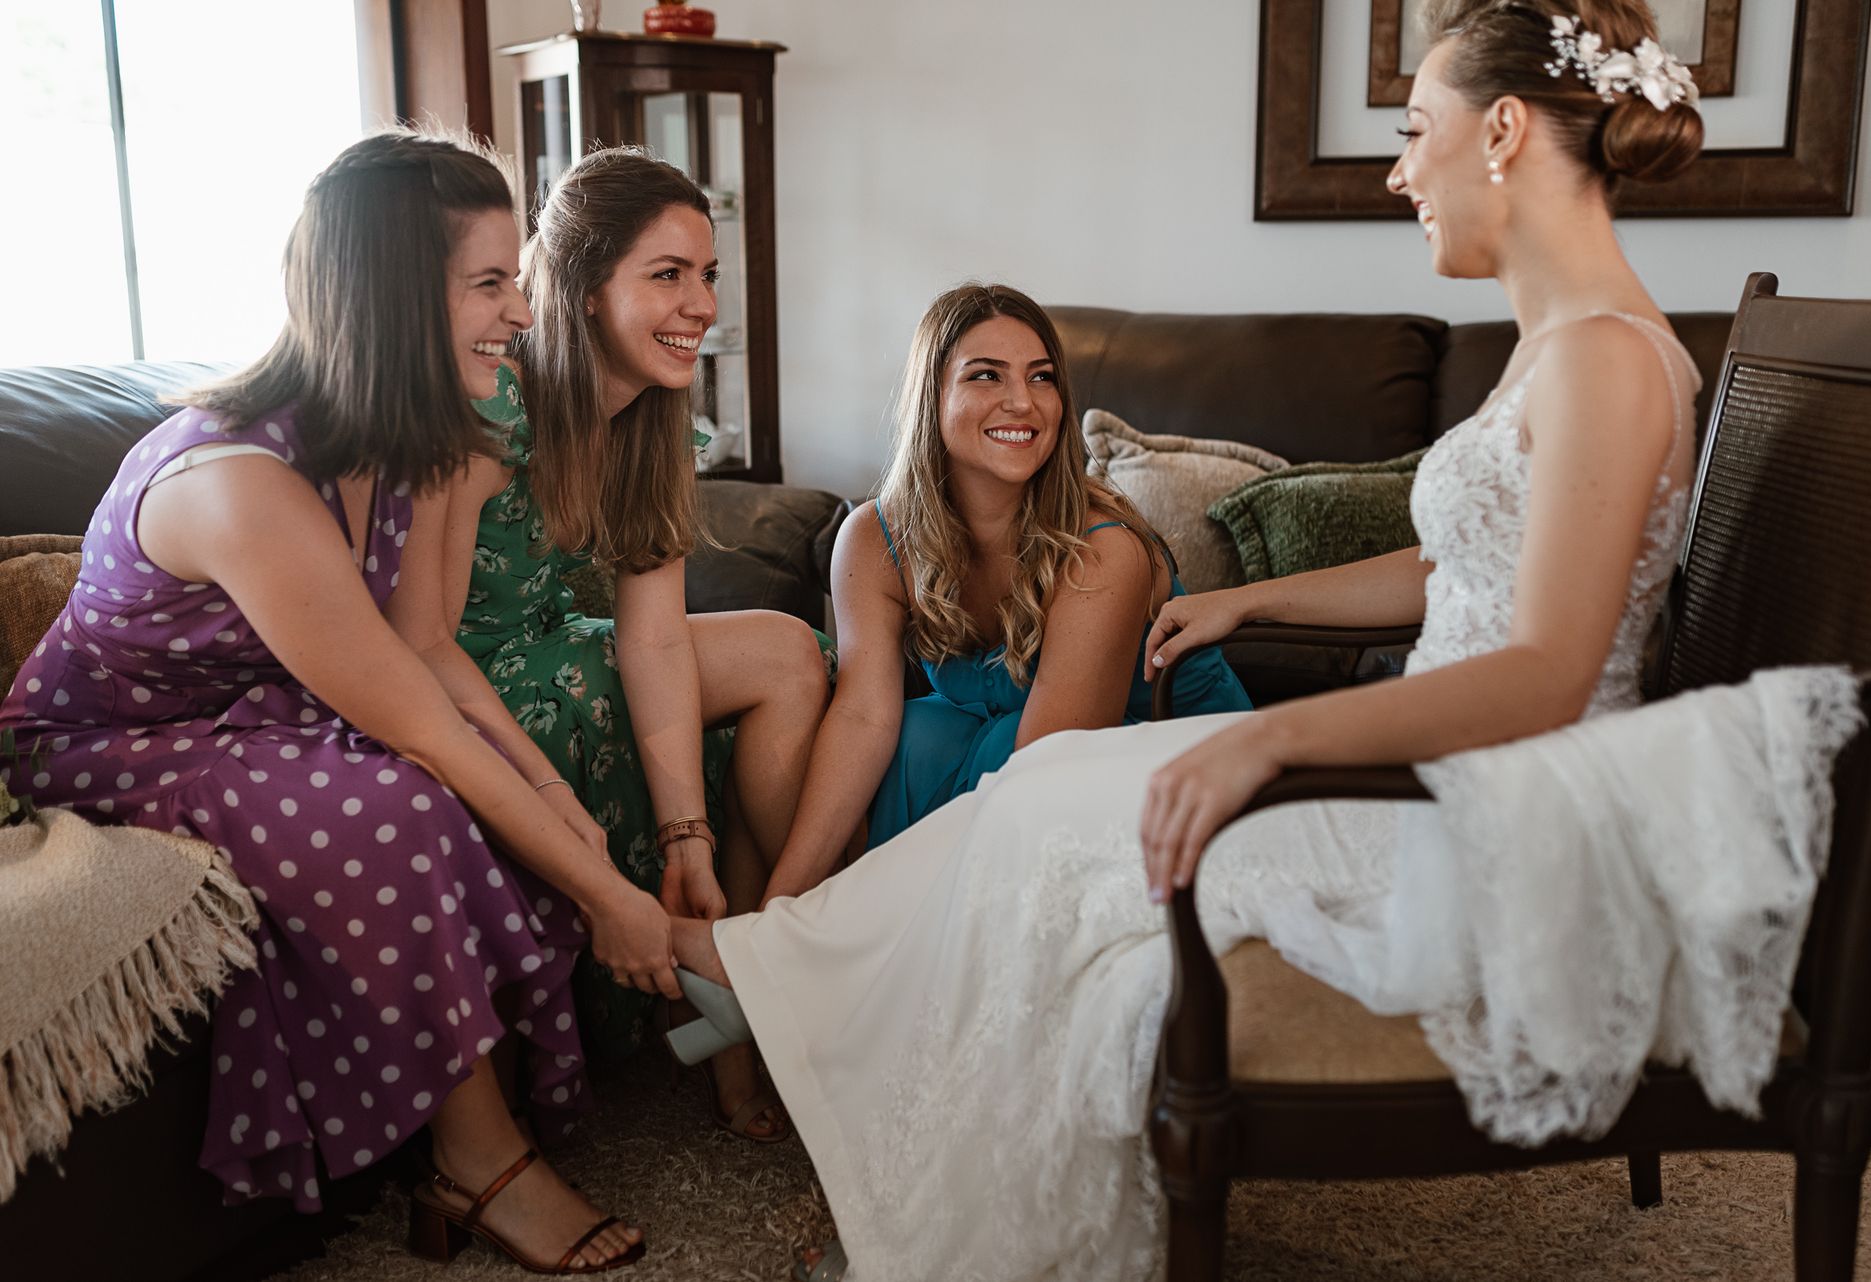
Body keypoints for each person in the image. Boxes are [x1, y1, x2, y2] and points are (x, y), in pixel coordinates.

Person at [662, 2, 1716, 1277]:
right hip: (1445, 784)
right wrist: (1249, 600)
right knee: (1049, 786)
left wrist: (1261, 744)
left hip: (1484, 823)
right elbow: (1454, 570)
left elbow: (1546, 671)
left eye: (1414, 129)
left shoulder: (1604, 360)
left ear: (1500, 132)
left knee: (1055, 807)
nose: (1399, 170)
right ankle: (815, 1011)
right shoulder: (1563, 350)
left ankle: (778, 983)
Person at [0, 132, 660, 1273]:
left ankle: (471, 1134)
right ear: (398, 296)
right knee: (396, 806)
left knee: (479, 788)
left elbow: (427, 652)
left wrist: (566, 809)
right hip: (107, 745)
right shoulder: (239, 481)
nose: (521, 312)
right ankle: (478, 1161)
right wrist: (598, 888)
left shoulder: (400, 437)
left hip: (263, 714)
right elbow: (414, 719)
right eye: (491, 283)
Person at [398, 146, 829, 1142]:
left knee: (795, 654)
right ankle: (751, 995)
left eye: (708, 275)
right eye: (667, 275)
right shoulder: (493, 406)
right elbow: (421, 634)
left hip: (566, 648)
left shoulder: (657, 426)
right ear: (587, 289)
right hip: (460, 683)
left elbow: (657, 639)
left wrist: (689, 835)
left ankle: (759, 965)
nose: (700, 306)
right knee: (759, 660)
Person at [755, 284, 1250, 906]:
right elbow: (862, 717)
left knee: (964, 745)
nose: (1022, 402)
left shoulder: (1103, 547)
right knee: (914, 735)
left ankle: (900, 940)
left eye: (1042, 378)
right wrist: (784, 904)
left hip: (1165, 772)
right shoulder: (873, 537)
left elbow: (1051, 761)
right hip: (1013, 755)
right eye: (987, 375)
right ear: (932, 395)